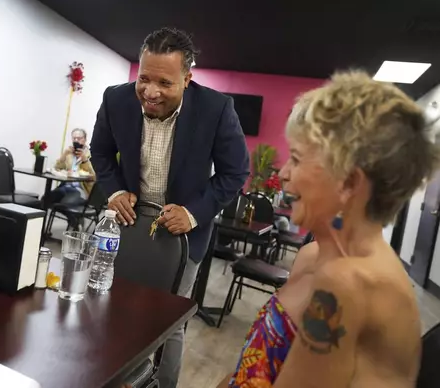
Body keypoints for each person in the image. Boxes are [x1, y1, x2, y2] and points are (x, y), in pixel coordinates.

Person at [221, 71, 440, 388]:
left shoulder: (349, 282)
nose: (282, 173)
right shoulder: (312, 256)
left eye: (295, 159)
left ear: (349, 183)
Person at [91, 27, 250, 388]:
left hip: (181, 236)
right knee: (107, 305)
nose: (150, 92)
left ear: (187, 79)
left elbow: (236, 171)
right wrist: (114, 191)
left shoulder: (216, 109)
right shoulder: (116, 99)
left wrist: (193, 212)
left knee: (167, 322)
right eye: (144, 78)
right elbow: (100, 152)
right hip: (128, 224)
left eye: (164, 83)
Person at [49, 128, 95, 228]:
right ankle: (76, 220)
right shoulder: (69, 154)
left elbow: (94, 176)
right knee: (46, 200)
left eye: (79, 138)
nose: (76, 141)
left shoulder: (90, 155)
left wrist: (84, 160)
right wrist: (64, 154)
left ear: (85, 139)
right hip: (66, 186)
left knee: (65, 204)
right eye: (74, 138)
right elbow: (56, 168)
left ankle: (75, 223)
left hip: (81, 189)